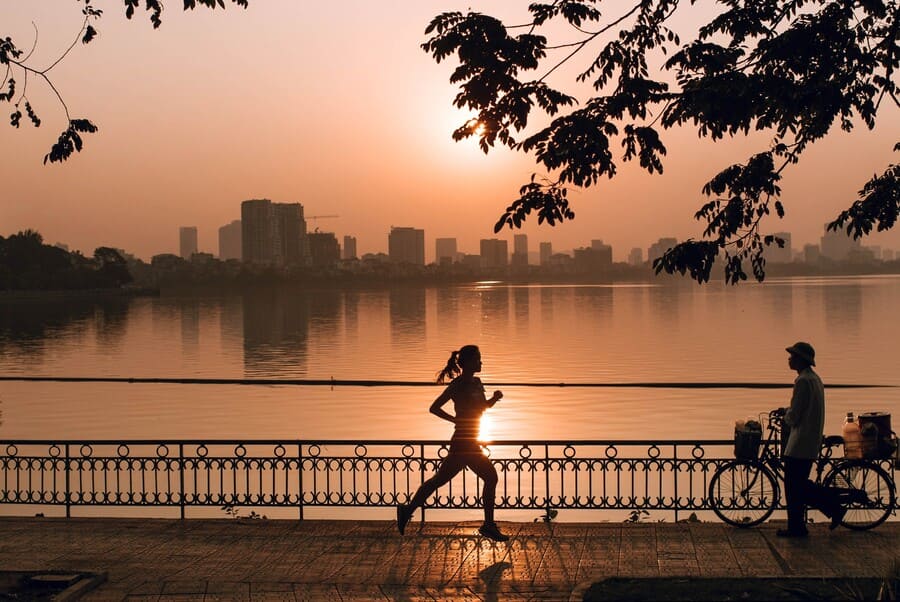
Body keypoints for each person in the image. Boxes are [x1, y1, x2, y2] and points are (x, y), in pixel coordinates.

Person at [396, 345, 509, 542]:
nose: (481, 362)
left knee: (439, 480)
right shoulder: (457, 385)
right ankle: (488, 526)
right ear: (467, 363)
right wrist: (455, 420)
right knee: (490, 477)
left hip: (470, 441)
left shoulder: (476, 382)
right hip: (463, 442)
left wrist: (494, 399)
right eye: (477, 359)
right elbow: (434, 408)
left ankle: (407, 510)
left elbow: (480, 408)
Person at [778, 341, 845, 537]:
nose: (789, 359)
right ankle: (803, 524)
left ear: (801, 360)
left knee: (794, 487)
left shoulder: (802, 382)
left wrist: (785, 416)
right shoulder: (815, 379)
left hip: (799, 443)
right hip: (811, 441)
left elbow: (795, 415)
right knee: (800, 485)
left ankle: (829, 510)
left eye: (792, 356)